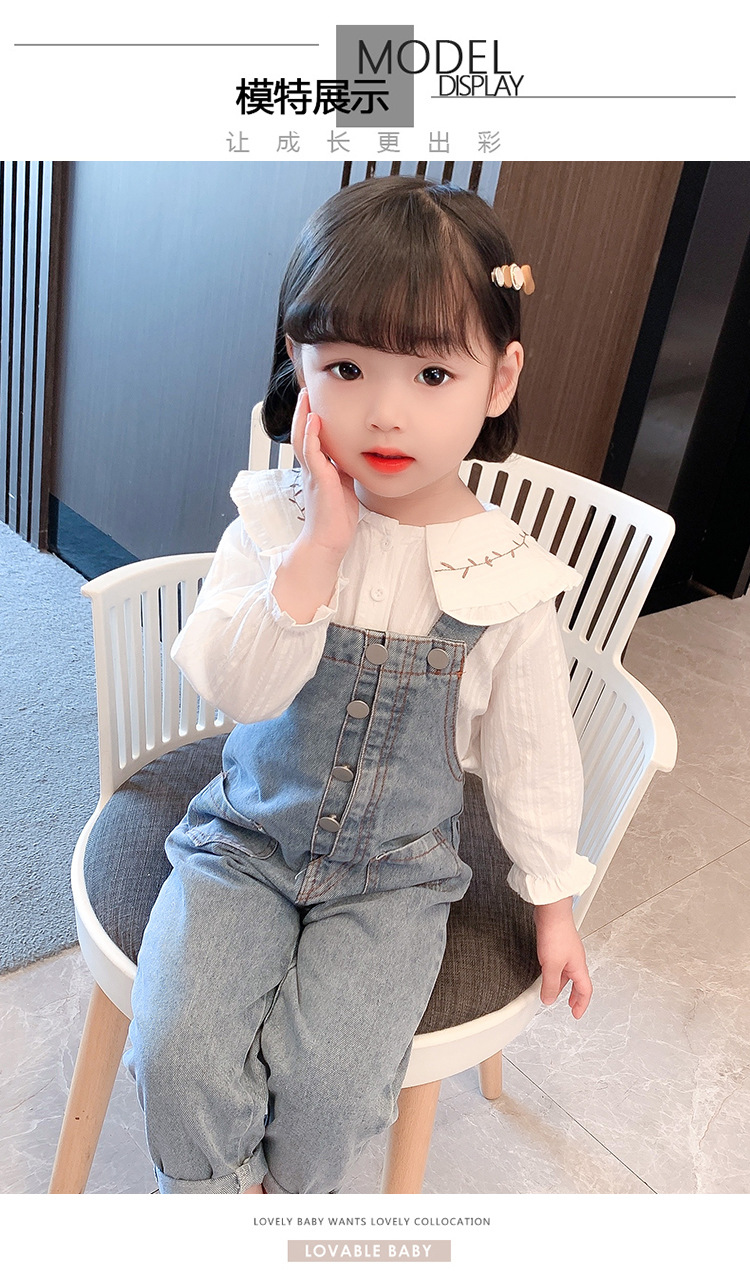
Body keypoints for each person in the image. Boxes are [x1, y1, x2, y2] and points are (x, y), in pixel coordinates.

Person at [124, 174, 596, 1196]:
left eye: (431, 374)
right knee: (176, 1053)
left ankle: (290, 1207)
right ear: (297, 367)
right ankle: (205, 1204)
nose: (385, 412)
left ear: (500, 379)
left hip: (397, 876)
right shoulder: (274, 520)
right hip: (244, 842)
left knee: (333, 1089)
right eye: (344, 367)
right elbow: (235, 689)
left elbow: (533, 754)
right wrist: (320, 552)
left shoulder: (503, 576)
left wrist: (552, 901)